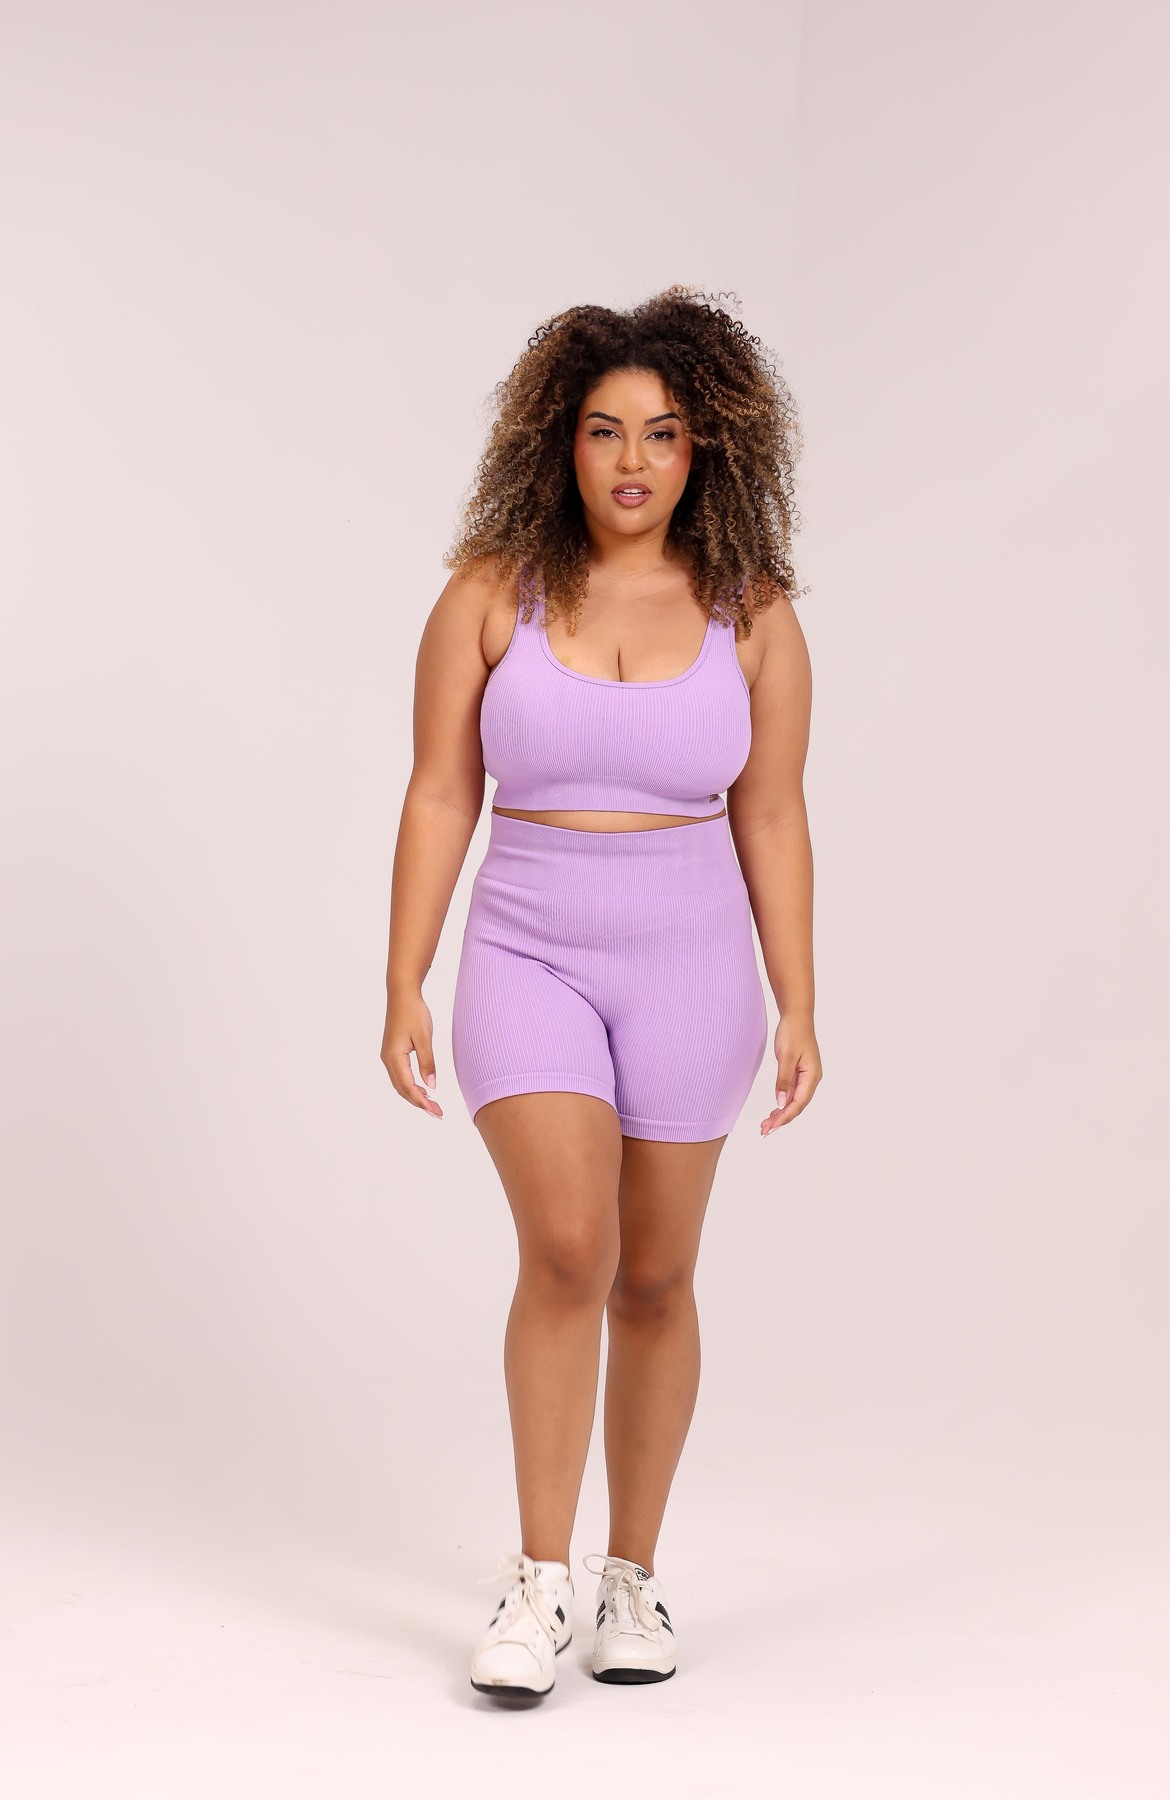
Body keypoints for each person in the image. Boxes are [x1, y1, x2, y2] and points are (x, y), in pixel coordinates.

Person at [380, 285, 820, 1699]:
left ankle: (633, 1574)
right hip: (528, 949)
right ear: (557, 442)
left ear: (706, 449)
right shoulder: (488, 595)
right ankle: (539, 1578)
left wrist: (801, 1002)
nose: (634, 461)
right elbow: (441, 792)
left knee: (656, 1273)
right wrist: (404, 975)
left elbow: (773, 815)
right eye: (605, 430)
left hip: (693, 961)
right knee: (569, 1248)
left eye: (665, 433)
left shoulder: (751, 616)